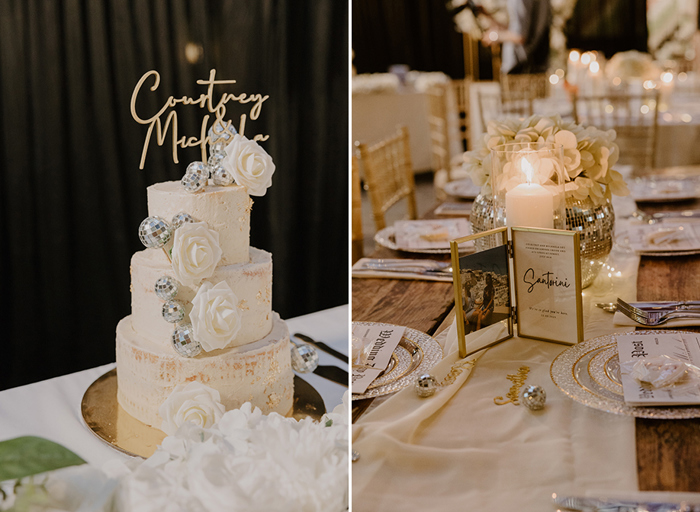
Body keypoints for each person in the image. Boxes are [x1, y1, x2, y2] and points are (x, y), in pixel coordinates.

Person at [482, 0, 552, 74]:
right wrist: (486, 16)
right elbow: (518, 29)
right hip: (535, 64)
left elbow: (520, 36)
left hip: (522, 65)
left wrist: (495, 36)